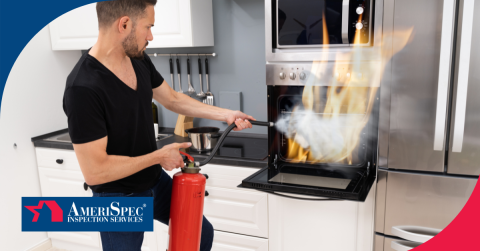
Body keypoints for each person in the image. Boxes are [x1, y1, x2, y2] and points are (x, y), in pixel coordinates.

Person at [62, 0, 255, 250]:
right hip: (118, 198)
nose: (151, 36)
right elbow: (95, 171)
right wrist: (158, 157)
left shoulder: (138, 59)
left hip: (153, 182)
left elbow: (172, 98)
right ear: (124, 24)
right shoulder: (82, 87)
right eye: (148, 27)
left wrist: (226, 114)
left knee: (201, 234)